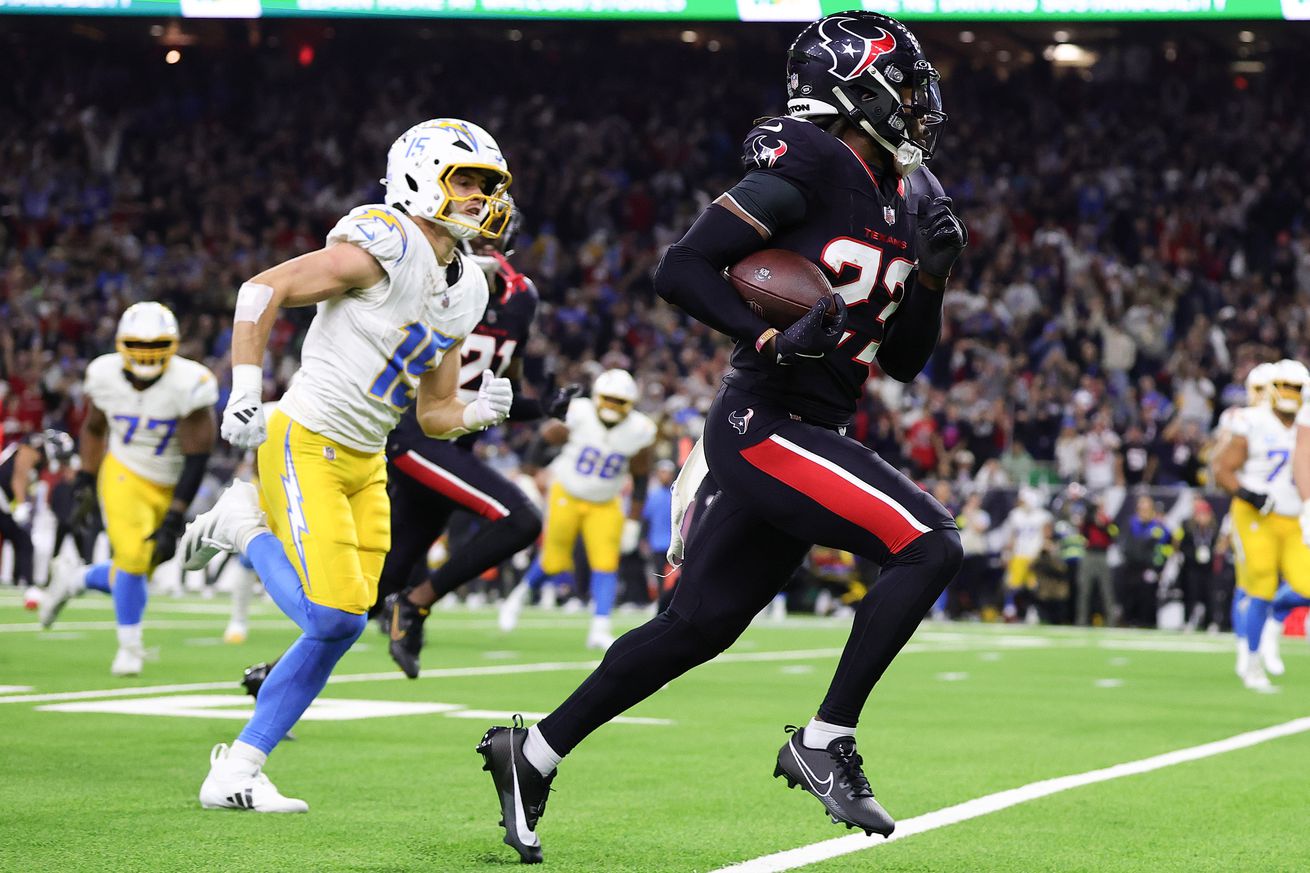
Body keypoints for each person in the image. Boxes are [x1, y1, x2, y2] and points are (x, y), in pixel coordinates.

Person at [475, 12, 966, 862]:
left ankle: (535, 750)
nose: (922, 104)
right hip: (763, 419)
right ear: (858, 86)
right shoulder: (812, 159)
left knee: (696, 625)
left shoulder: (917, 192)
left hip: (814, 424)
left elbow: (907, 362)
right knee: (929, 544)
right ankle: (823, 739)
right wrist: (769, 334)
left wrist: (930, 279)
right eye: (909, 84)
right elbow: (683, 266)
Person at [177, 118, 515, 812]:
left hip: (366, 459)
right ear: (421, 176)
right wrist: (243, 386)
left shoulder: (471, 288)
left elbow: (435, 411)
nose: (479, 197)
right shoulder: (383, 241)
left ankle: (239, 767)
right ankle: (243, 526)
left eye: (486, 185)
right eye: (466, 180)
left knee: (346, 621)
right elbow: (259, 291)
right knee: (333, 616)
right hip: (306, 437)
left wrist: (480, 411)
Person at [374, 201, 580, 678]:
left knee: (384, 577)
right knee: (521, 518)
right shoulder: (429, 279)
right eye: (478, 230)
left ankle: (275, 676)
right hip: (414, 433)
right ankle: (417, 603)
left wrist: (542, 405)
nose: (486, 241)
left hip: (455, 441)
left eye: (496, 232)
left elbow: (494, 391)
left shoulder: (521, 296)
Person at [39, 303, 217, 677]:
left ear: (174, 344)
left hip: (172, 480)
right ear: (121, 343)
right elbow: (93, 428)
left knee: (136, 572)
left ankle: (74, 579)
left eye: (157, 343)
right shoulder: (103, 374)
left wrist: (174, 516)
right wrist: (87, 479)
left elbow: (199, 456)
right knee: (134, 559)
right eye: (137, 342)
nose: (147, 351)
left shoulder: (191, 383)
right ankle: (130, 649)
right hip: (125, 471)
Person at [497, 369, 657, 650]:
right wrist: (530, 475)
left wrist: (633, 520)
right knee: (553, 561)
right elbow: (542, 440)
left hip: (606, 502)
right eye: (608, 399)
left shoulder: (639, 431)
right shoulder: (579, 413)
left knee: (606, 563)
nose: (612, 407)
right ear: (596, 397)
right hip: (567, 493)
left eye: (619, 401)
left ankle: (600, 627)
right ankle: (518, 597)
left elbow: (641, 477)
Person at [1214, 358, 1310, 690]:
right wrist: (1249, 495)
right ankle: (1252, 662)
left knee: (1305, 584)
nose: (1289, 394)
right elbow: (1221, 468)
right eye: (1284, 386)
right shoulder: (1250, 421)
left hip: (1296, 516)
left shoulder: (1305, 424)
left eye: (1296, 388)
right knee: (1259, 586)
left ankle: (1273, 621)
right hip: (1256, 516)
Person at [3, 429, 75, 605]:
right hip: (3, 499)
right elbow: (18, 478)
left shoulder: (38, 454)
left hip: (5, 500)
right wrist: (20, 505)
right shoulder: (30, 448)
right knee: (24, 540)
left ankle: (23, 582)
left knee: (23, 541)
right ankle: (26, 584)